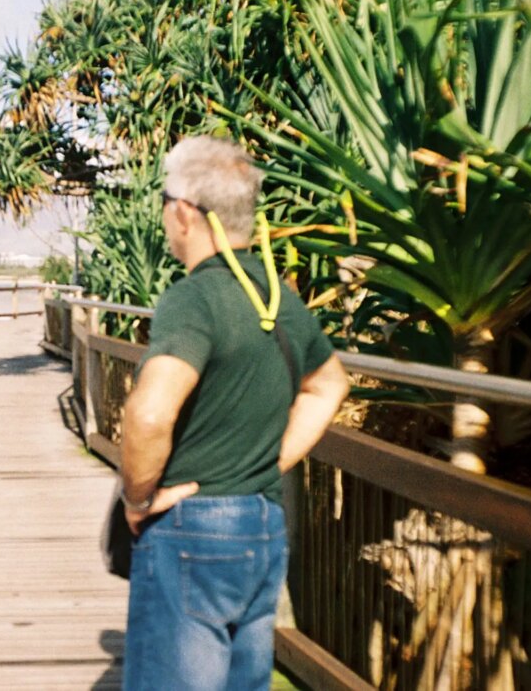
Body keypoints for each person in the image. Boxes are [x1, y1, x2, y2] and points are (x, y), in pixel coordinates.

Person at [120, 136, 349, 690]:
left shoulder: (194, 298)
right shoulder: (279, 297)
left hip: (189, 527)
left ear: (182, 212)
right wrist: (268, 465)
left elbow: (149, 415)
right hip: (262, 526)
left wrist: (136, 499)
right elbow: (329, 386)